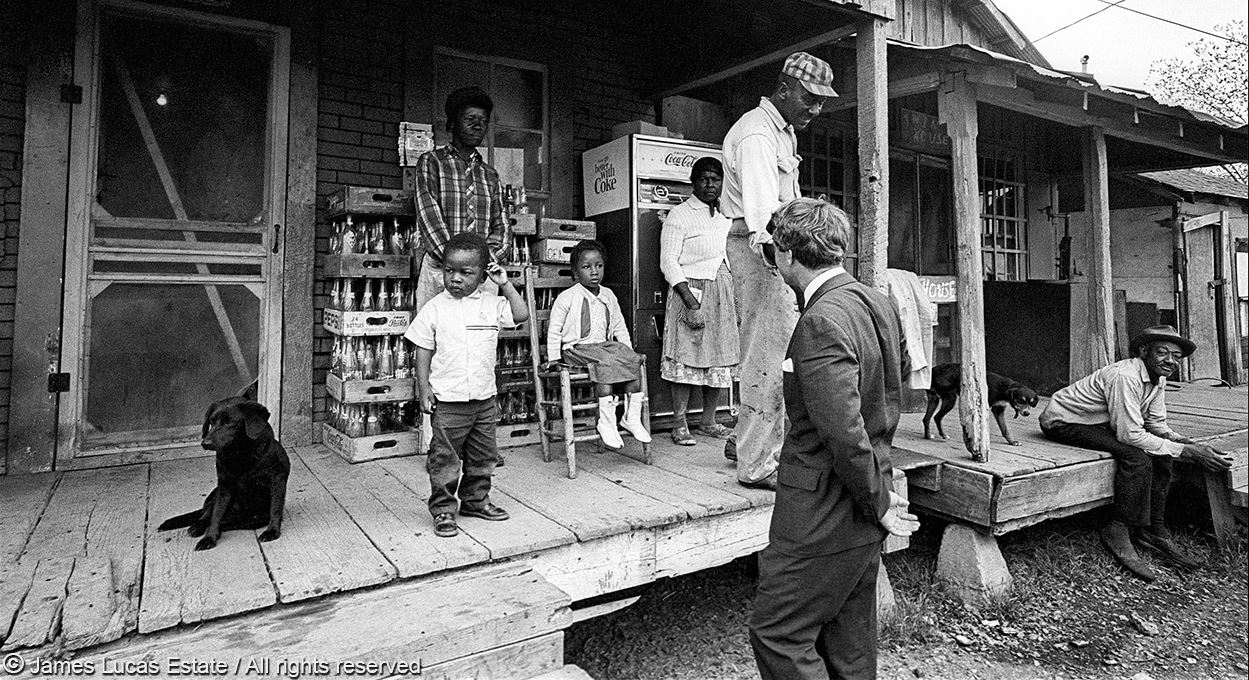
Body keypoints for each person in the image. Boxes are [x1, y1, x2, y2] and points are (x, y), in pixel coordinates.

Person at [749, 198, 919, 680]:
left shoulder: (820, 320)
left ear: (786, 254)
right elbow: (898, 379)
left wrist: (879, 502)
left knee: (778, 633)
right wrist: (878, 497)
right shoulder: (876, 301)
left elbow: (843, 432)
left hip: (823, 510)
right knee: (849, 644)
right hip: (863, 501)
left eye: (771, 253)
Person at [721, 51, 836, 489]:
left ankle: (751, 444)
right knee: (766, 357)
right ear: (784, 89)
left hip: (779, 251)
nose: (815, 109)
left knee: (779, 355)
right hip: (763, 251)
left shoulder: (782, 132)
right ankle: (755, 465)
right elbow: (765, 219)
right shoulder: (756, 134)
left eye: (822, 102)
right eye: (809, 98)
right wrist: (794, 266)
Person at [1039, 325, 1234, 580]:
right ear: (1144, 351)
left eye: (1176, 356)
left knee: (1163, 454)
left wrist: (1187, 443)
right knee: (1136, 457)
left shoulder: (1158, 377)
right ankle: (1118, 529)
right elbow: (1129, 435)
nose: (1170, 361)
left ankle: (1155, 529)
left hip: (1100, 422)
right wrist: (1188, 452)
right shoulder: (1126, 375)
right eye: (1162, 352)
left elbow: (1155, 424)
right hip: (1064, 422)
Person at [405, 232, 529, 539]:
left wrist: (504, 282)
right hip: (448, 402)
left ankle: (475, 501)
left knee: (483, 457)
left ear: (483, 271)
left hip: (484, 400)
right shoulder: (435, 308)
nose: (455, 278)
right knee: (444, 459)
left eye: (466, 272)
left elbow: (521, 314)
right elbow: (422, 348)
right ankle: (444, 508)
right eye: (449, 270)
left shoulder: (492, 303)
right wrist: (424, 389)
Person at [659, 156, 739, 446]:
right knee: (686, 356)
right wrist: (691, 302)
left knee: (717, 356)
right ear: (693, 182)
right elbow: (668, 261)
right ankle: (679, 423)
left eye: (715, 179)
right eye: (704, 179)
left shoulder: (724, 217)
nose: (710, 184)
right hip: (689, 291)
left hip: (721, 290)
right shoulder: (679, 215)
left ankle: (708, 421)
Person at [412, 85, 512, 312]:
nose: (478, 125)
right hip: (441, 274)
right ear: (453, 123)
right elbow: (429, 218)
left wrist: (482, 265)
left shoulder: (490, 174)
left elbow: (502, 226)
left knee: (479, 341)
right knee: (436, 341)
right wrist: (458, 268)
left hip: (483, 277)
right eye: (470, 118)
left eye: (484, 121)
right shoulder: (431, 162)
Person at [545, 240, 652, 450]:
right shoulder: (567, 298)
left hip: (603, 347)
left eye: (599, 266)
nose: (594, 272)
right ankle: (606, 421)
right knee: (604, 361)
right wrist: (553, 358)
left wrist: (628, 351)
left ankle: (631, 418)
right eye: (587, 267)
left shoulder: (608, 295)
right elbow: (554, 330)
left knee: (632, 359)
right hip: (576, 350)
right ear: (575, 272)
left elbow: (620, 326)